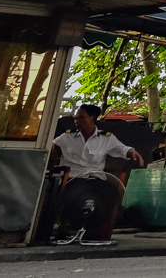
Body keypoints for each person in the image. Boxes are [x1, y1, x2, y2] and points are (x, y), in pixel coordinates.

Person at [47, 105, 145, 247]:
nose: (76, 121)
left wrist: (132, 153)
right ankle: (66, 228)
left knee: (110, 193)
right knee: (76, 192)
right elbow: (52, 146)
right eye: (76, 118)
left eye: (81, 118)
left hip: (97, 178)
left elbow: (121, 149)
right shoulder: (67, 136)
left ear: (92, 118)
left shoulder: (105, 138)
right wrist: (53, 161)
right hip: (74, 178)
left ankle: (93, 230)